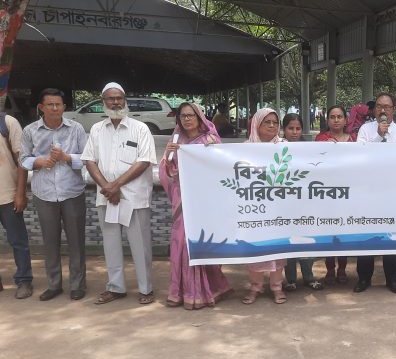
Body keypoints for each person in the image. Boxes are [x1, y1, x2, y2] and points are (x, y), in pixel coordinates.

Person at [81, 82, 157, 305]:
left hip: (133, 198)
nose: (115, 102)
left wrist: (115, 186)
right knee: (111, 242)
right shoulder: (97, 129)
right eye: (110, 99)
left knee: (140, 244)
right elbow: (89, 160)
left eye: (119, 98)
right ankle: (115, 287)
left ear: (125, 100)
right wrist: (107, 187)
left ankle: (146, 288)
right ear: (103, 102)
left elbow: (144, 161)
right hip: (107, 197)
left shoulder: (139, 128)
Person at [160, 103, 231, 309]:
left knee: (201, 242)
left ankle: (206, 290)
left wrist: (207, 153)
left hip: (204, 201)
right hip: (182, 200)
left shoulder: (210, 140)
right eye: (183, 116)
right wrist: (170, 156)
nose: (187, 119)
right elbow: (169, 172)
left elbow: (220, 168)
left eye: (191, 115)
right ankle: (179, 291)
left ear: (199, 118)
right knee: (181, 242)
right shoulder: (176, 139)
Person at [20, 88, 87, 301]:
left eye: (58, 104)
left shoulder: (76, 129)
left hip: (72, 192)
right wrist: (39, 161)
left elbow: (87, 159)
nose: (55, 108)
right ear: (42, 107)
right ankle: (54, 284)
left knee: (76, 241)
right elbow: (23, 159)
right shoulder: (30, 131)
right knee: (50, 242)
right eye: (50, 104)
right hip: (44, 193)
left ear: (64, 107)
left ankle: (77, 285)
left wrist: (66, 157)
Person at [355, 93, 396, 293]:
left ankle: (392, 279)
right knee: (368, 235)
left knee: (391, 236)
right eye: (379, 106)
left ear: (393, 109)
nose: (382, 110)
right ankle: (363, 278)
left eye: (386, 107)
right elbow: (360, 156)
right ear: (374, 109)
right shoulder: (365, 130)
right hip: (369, 192)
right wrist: (379, 135)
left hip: (393, 193)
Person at [241, 108, 288, 305]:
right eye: (266, 122)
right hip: (255, 206)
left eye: (275, 122)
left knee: (278, 250)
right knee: (255, 250)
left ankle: (277, 287)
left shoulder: (285, 147)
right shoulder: (245, 148)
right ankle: (255, 287)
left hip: (279, 207)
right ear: (256, 124)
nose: (271, 126)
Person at [281, 113, 323, 291]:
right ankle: (290, 280)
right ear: (284, 129)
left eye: (298, 128)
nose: (294, 132)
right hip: (284, 204)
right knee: (288, 241)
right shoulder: (275, 149)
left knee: (306, 240)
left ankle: (309, 277)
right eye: (290, 128)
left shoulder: (309, 148)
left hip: (306, 202)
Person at [315, 105, 354, 284]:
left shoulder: (354, 139)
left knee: (344, 233)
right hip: (327, 193)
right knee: (328, 232)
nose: (336, 120)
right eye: (332, 117)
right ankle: (330, 269)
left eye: (339, 117)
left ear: (346, 120)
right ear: (327, 120)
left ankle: (342, 269)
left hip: (349, 192)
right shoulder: (320, 139)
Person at [0, 107, 33, 298]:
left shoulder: (7, 123)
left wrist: (20, 193)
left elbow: (23, 160)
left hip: (7, 194)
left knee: (18, 241)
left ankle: (24, 281)